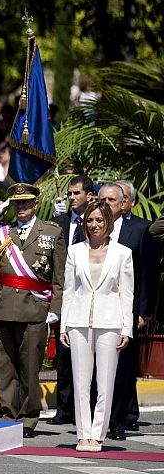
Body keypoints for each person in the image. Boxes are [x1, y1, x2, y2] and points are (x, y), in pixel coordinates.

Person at [0, 183, 65, 438]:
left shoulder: (51, 233)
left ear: (35, 204)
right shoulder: (1, 232)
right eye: (16, 203)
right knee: (5, 367)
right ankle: (7, 416)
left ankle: (28, 419)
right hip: (1, 307)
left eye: (25, 202)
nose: (21, 207)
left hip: (34, 308)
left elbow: (59, 278)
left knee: (30, 368)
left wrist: (55, 308)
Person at [60, 201, 133, 453]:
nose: (94, 225)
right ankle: (83, 434)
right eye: (90, 220)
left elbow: (127, 294)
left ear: (108, 223)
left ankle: (98, 434)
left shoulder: (123, 253)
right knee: (80, 382)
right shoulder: (75, 252)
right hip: (78, 323)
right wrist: (63, 327)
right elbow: (68, 291)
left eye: (99, 220)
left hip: (110, 323)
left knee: (105, 383)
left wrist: (127, 329)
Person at [98, 182, 159, 440]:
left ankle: (118, 421)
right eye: (101, 200)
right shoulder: (90, 230)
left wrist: (144, 312)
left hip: (126, 310)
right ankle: (97, 419)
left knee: (121, 368)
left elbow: (148, 274)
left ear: (124, 204)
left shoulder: (140, 231)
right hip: (96, 309)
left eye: (111, 200)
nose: (105, 205)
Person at [48, 175, 95, 426]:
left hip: (90, 294)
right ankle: (64, 408)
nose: (72, 198)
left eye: (76, 193)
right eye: (69, 194)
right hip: (65, 294)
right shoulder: (59, 223)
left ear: (90, 195)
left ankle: (85, 409)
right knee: (64, 354)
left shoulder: (97, 222)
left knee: (91, 355)